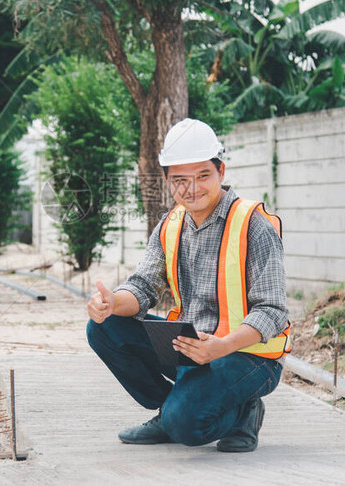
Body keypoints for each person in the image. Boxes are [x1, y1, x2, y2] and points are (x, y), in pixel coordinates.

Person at [86, 118, 290, 453]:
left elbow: (272, 312)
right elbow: (142, 287)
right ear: (167, 180)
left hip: (249, 356)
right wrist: (111, 303)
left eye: (202, 176)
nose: (191, 188)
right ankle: (169, 410)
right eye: (180, 180)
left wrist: (220, 347)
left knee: (188, 426)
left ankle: (243, 413)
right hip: (193, 347)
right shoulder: (170, 225)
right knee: (104, 326)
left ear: (221, 171)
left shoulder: (253, 224)